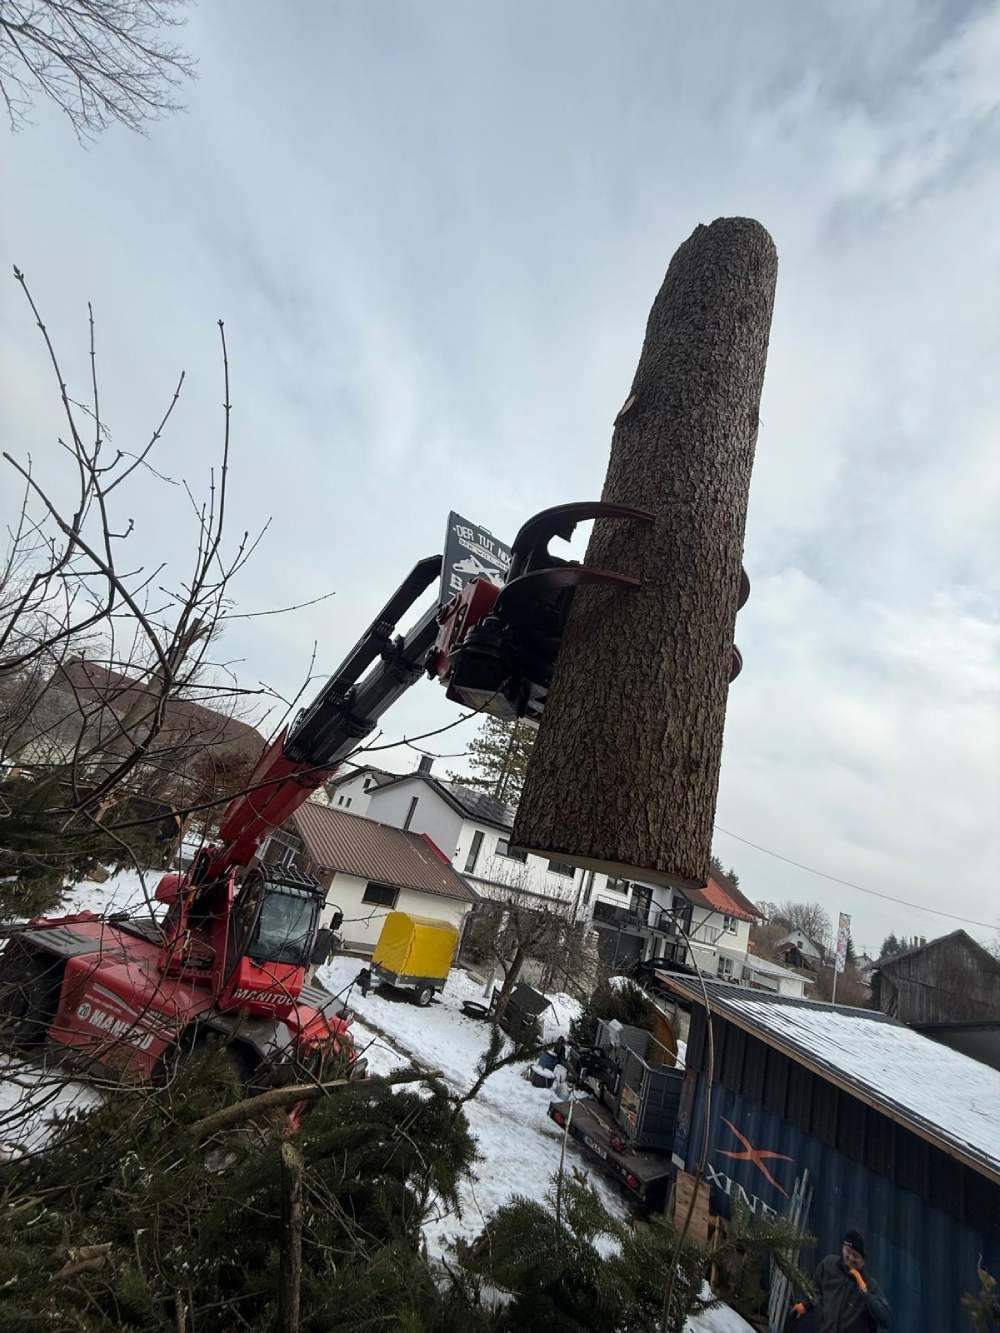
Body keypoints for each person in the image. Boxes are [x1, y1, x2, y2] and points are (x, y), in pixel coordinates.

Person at [791, 1229, 890, 1330]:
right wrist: (804, 1304)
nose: (851, 1258)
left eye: (856, 1256)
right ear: (842, 1247)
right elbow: (814, 1289)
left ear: (863, 1260)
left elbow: (885, 1319)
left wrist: (865, 1293)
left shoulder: (870, 1285)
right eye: (848, 1251)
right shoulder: (828, 1264)